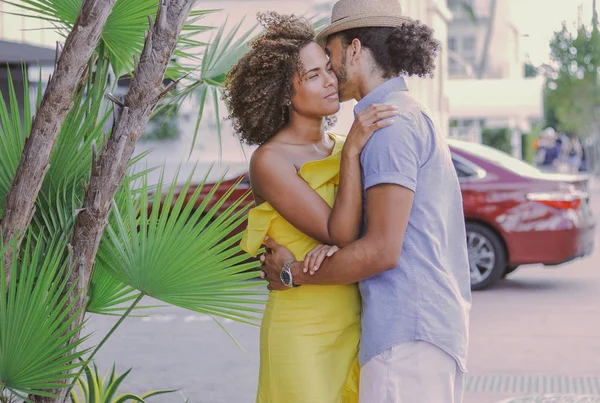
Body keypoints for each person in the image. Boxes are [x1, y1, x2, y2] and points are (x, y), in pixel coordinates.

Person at [259, 0, 472, 402]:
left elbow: (381, 250)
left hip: (408, 333)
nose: (329, 69)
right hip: (413, 333)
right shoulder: (394, 117)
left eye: (331, 55)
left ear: (354, 50)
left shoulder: (389, 125)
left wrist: (294, 273)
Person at [224, 12, 397, 403]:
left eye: (328, 69)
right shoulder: (270, 161)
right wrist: (352, 150)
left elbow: (367, 234)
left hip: (354, 322)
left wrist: (347, 148)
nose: (331, 81)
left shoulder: (341, 145)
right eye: (313, 75)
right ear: (285, 93)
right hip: (301, 328)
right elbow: (341, 232)